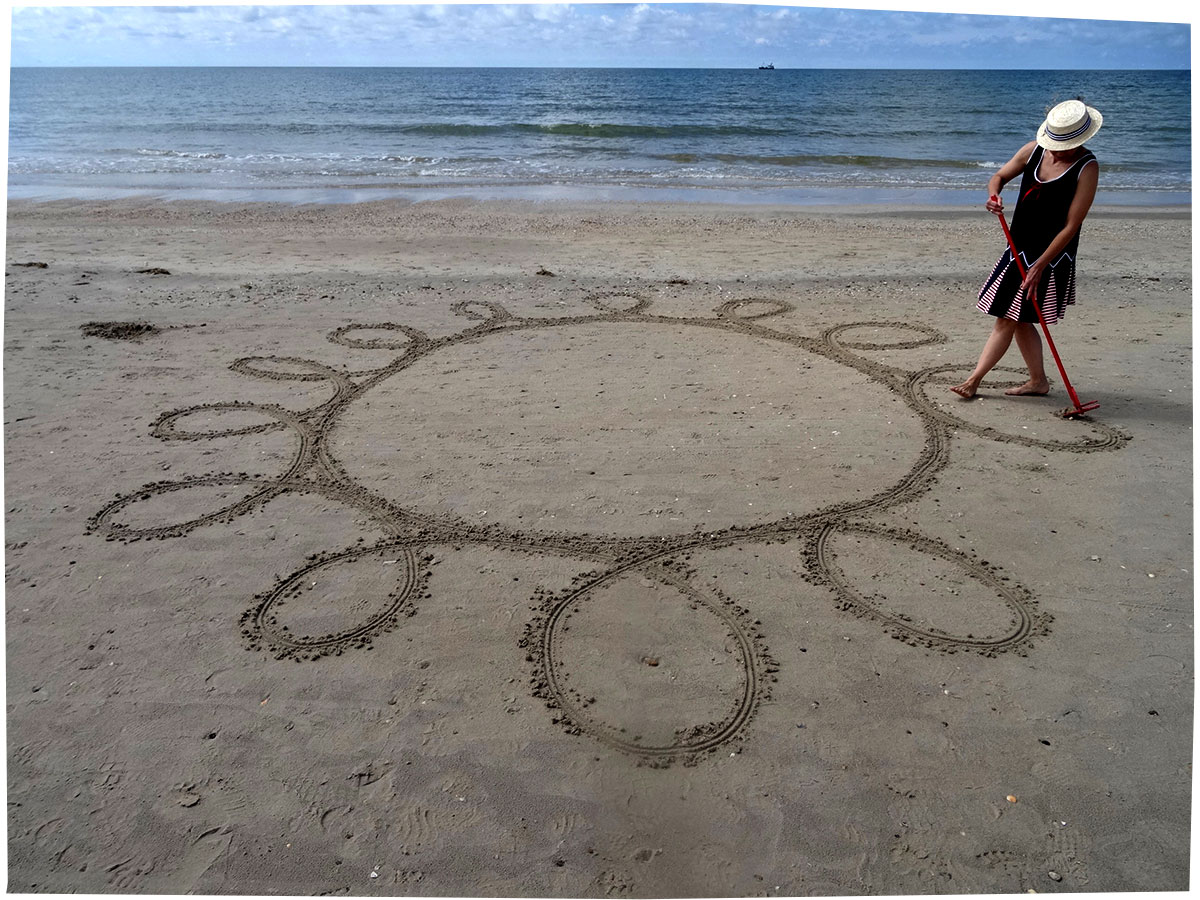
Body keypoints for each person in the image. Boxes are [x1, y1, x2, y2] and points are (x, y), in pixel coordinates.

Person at [951, 99, 1101, 400]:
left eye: (1067, 145)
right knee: (1017, 318)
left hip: (1052, 258)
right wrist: (993, 196)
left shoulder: (1087, 168)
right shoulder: (1032, 150)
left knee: (1008, 317)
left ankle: (973, 380)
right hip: (1018, 250)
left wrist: (1040, 266)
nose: (1058, 151)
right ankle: (1038, 381)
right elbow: (998, 177)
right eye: (1056, 143)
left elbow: (1071, 227)